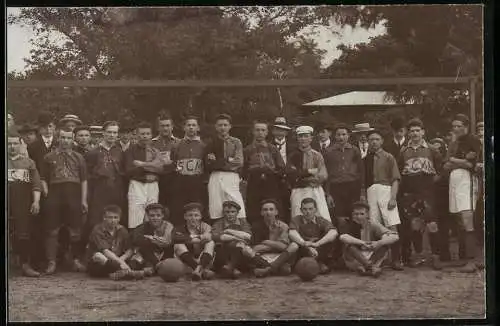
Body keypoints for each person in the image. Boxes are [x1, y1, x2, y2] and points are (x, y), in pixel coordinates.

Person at [40, 128, 88, 274]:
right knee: (52, 230)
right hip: (55, 194)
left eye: (68, 138)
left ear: (72, 139)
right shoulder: (49, 157)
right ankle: (51, 262)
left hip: (73, 194)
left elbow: (84, 180)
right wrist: (47, 194)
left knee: (75, 230)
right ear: (58, 138)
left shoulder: (79, 157)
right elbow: (43, 178)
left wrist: (84, 200)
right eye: (63, 137)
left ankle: (74, 260)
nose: (65, 141)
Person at [397, 118, 443, 270]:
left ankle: (436, 257)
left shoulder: (431, 149)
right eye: (411, 131)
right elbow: (399, 172)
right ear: (407, 133)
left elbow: (441, 169)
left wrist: (431, 184)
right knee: (415, 225)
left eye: (418, 130)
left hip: (428, 191)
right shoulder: (403, 151)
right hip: (410, 192)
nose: (415, 133)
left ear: (423, 132)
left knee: (432, 224)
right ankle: (418, 256)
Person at [443, 114, 482, 273]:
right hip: (455, 181)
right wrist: (458, 160)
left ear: (466, 126)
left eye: (459, 126)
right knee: (459, 218)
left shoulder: (473, 140)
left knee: (467, 218)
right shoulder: (454, 142)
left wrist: (455, 160)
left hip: (467, 181)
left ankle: (472, 261)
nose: (456, 129)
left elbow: (472, 164)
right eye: (454, 126)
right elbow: (446, 164)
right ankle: (465, 258)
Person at [364, 129, 403, 270]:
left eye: (377, 139)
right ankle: (378, 258)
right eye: (371, 140)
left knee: (391, 224)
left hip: (386, 190)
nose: (374, 142)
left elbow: (395, 179)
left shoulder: (388, 157)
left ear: (382, 141)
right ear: (368, 142)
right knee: (374, 225)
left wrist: (393, 197)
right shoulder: (366, 159)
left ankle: (397, 258)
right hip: (371, 192)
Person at [243, 120, 286, 240]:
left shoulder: (272, 149)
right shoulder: (247, 150)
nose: (260, 133)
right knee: (254, 212)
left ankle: (277, 238)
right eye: (257, 130)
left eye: (263, 130)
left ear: (267, 132)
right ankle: (256, 239)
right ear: (253, 132)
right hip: (254, 185)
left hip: (271, 184)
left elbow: (281, 168)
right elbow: (243, 169)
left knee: (272, 210)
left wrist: (271, 171)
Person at [8, 129, 42, 277]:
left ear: (21, 144)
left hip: (22, 202)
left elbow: (36, 184)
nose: (12, 147)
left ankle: (25, 265)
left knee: (24, 233)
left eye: (15, 143)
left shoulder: (28, 163)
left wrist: (36, 201)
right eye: (8, 144)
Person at [85, 121, 125, 242]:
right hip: (99, 190)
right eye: (109, 132)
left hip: (117, 190)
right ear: (103, 133)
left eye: (115, 132)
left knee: (116, 219)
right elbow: (87, 175)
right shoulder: (93, 152)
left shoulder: (120, 152)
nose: (112, 135)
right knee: (97, 219)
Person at [339, 201, 399, 277]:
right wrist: (363, 243)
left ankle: (366, 267)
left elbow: (395, 236)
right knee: (350, 246)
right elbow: (343, 237)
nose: (359, 217)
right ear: (352, 215)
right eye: (356, 214)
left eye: (362, 214)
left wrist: (379, 243)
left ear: (367, 214)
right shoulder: (348, 224)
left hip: (372, 256)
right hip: (356, 258)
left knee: (384, 245)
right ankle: (371, 267)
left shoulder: (373, 224)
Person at [206, 114, 246, 221]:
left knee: (236, 202)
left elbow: (239, 162)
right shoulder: (210, 142)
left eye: (225, 125)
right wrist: (228, 159)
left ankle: (241, 230)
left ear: (230, 126)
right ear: (215, 127)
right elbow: (209, 164)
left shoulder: (236, 142)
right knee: (216, 206)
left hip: (231, 176)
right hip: (215, 176)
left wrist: (219, 161)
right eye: (220, 125)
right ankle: (218, 233)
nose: (222, 127)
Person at [86, 205, 143, 280]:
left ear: (119, 219)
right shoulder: (97, 230)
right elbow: (105, 251)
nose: (113, 220)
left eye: (115, 217)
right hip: (101, 263)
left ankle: (117, 274)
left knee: (138, 256)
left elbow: (129, 249)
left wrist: (121, 260)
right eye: (110, 217)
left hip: (117, 260)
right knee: (98, 256)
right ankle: (128, 272)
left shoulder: (122, 230)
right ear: (104, 218)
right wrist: (121, 264)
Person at [287, 126, 331, 223]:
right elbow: (291, 174)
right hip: (298, 190)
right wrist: (309, 172)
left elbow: (323, 175)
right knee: (297, 216)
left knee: (320, 215)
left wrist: (304, 177)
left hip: (315, 190)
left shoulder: (317, 155)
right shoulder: (292, 155)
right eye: (300, 136)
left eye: (306, 136)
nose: (303, 139)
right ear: (297, 138)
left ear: (311, 138)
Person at [124, 121, 163, 229]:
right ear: (136, 134)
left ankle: (151, 242)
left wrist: (142, 164)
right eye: (142, 134)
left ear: (151, 135)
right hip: (137, 184)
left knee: (153, 214)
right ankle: (136, 243)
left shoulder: (155, 150)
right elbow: (129, 171)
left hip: (153, 184)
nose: (145, 136)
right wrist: (152, 166)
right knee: (135, 216)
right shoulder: (130, 151)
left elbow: (160, 168)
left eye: (147, 133)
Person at [324, 123, 365, 222]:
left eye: (343, 134)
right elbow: (326, 173)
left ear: (348, 135)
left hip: (352, 186)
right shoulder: (328, 152)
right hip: (336, 187)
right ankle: (342, 235)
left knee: (354, 214)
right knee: (339, 215)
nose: (341, 137)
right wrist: (328, 194)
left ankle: (354, 236)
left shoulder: (354, 150)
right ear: (334, 136)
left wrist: (362, 192)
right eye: (338, 135)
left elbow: (361, 171)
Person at [171, 116, 208, 225]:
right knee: (179, 208)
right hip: (181, 181)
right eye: (188, 125)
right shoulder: (177, 145)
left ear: (198, 128)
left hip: (197, 182)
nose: (191, 128)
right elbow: (173, 162)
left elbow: (206, 165)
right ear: (184, 128)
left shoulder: (203, 146)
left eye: (194, 125)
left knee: (197, 207)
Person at [288, 198, 339, 274]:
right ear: (301, 210)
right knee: (295, 244)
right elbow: (292, 233)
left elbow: (333, 232)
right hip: (302, 251)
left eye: (310, 209)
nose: (308, 212)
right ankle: (312, 265)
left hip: (317, 250)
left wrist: (317, 244)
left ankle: (318, 263)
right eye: (305, 209)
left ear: (315, 210)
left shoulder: (320, 220)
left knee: (330, 240)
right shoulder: (297, 219)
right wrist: (305, 244)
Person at [173, 203, 215, 281]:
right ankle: (200, 270)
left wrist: (188, 239)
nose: (193, 218)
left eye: (196, 215)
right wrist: (198, 238)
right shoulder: (179, 228)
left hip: (203, 260)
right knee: (178, 245)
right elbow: (176, 238)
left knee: (210, 243)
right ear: (185, 217)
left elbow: (209, 237)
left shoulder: (206, 226)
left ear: (200, 217)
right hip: (187, 262)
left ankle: (199, 269)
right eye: (190, 215)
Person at [130, 203, 175, 277]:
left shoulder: (168, 226)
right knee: (135, 260)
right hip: (148, 254)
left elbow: (167, 241)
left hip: (164, 253)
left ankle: (152, 269)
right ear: (147, 216)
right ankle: (153, 267)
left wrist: (152, 238)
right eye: (152, 215)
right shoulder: (143, 227)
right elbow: (136, 239)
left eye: (158, 215)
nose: (155, 218)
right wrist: (151, 240)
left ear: (163, 216)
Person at [252, 199, 294, 278]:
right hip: (263, 257)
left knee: (294, 246)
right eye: (265, 210)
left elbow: (284, 247)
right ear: (261, 213)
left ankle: (268, 269)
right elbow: (255, 248)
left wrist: (266, 241)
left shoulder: (283, 226)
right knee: (246, 250)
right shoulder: (256, 226)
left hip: (279, 256)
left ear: (276, 212)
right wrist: (276, 244)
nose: (268, 212)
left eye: (271, 209)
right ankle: (274, 268)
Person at [212, 201, 253, 279]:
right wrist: (235, 237)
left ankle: (230, 268)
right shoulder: (218, 223)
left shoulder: (243, 223)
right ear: (224, 213)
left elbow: (248, 236)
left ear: (237, 213)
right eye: (227, 212)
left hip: (240, 253)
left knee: (240, 246)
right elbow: (217, 236)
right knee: (226, 246)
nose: (230, 214)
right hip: (223, 252)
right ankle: (232, 269)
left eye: (233, 212)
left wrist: (228, 231)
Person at [152, 112, 180, 211]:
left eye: (167, 126)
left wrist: (172, 163)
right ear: (158, 128)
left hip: (174, 180)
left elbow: (181, 162)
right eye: (162, 126)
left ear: (172, 127)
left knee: (174, 208)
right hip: (157, 180)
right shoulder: (152, 143)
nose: (165, 128)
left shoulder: (179, 142)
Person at [270, 116, 295, 222]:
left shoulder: (294, 146)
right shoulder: (268, 146)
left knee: (291, 206)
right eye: (277, 129)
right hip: (274, 180)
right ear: (273, 131)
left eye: (283, 130)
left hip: (291, 181)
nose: (280, 132)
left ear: (286, 132)